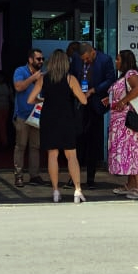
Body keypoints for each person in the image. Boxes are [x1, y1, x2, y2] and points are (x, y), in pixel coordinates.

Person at [27, 49, 87, 203]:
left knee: (52, 155)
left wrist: (41, 101)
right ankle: (77, 190)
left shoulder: (43, 78)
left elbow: (30, 99)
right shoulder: (70, 79)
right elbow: (84, 100)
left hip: (49, 119)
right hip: (66, 119)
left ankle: (55, 191)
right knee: (71, 155)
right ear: (65, 63)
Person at [70, 42, 116, 187]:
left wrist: (94, 90)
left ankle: (90, 178)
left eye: (87, 59)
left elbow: (110, 80)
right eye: (83, 59)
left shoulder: (105, 60)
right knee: (78, 140)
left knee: (93, 142)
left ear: (92, 52)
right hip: (79, 104)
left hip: (95, 104)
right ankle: (74, 176)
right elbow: (71, 76)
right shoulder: (77, 59)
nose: (85, 61)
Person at [106, 50, 138, 199]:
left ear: (124, 61)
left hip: (127, 123)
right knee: (126, 152)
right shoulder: (124, 76)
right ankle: (130, 184)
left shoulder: (131, 74)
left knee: (132, 152)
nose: (115, 62)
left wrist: (122, 101)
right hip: (120, 123)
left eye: (117, 59)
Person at [13, 49, 45, 186]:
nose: (41, 61)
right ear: (30, 60)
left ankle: (34, 175)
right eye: (38, 59)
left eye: (42, 59)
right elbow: (18, 87)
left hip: (37, 115)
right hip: (22, 115)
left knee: (35, 146)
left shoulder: (43, 75)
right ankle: (18, 175)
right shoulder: (20, 71)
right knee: (20, 146)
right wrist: (33, 78)